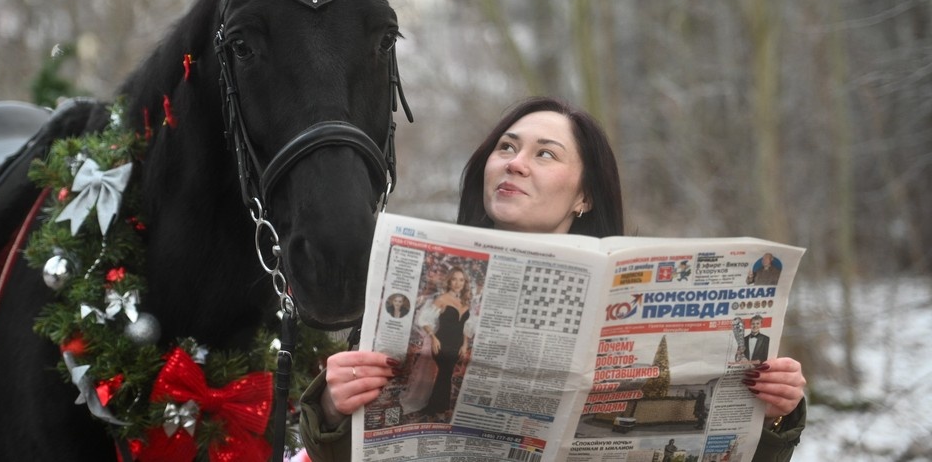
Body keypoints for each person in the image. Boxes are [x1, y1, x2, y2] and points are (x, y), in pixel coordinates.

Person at [298, 97, 806, 462]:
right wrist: (331, 408)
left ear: (584, 195)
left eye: (545, 153)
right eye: (506, 147)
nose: (515, 163)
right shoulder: (407, 278)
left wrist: (779, 415)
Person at [415, 266, 473, 420]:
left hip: (457, 345)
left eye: (461, 280)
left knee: (445, 374)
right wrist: (433, 337)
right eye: (454, 279)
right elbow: (424, 320)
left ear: (465, 283)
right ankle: (439, 409)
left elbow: (466, 327)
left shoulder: (465, 301)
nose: (457, 283)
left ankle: (435, 407)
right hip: (441, 343)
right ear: (449, 281)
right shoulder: (442, 299)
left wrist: (465, 344)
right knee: (445, 373)